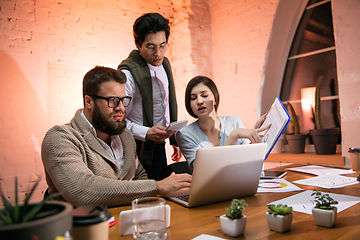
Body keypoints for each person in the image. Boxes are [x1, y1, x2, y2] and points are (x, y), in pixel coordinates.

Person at [41, 66, 191, 207]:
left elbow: (140, 177)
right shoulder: (60, 138)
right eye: (113, 100)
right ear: (88, 102)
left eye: (123, 100)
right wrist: (158, 186)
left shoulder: (125, 136)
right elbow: (82, 190)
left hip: (123, 224)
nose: (120, 107)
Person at [118, 13, 181, 181]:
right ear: (138, 44)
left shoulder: (164, 64)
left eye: (163, 45)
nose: (158, 53)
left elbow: (167, 103)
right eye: (151, 47)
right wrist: (146, 133)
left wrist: (173, 139)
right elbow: (117, 120)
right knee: (147, 200)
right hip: (137, 149)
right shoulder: (128, 75)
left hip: (159, 146)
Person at [175, 76, 271, 172]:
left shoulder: (234, 122)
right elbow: (204, 171)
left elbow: (251, 164)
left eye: (204, 96)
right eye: (193, 98)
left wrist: (255, 141)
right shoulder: (184, 134)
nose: (199, 101)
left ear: (215, 99)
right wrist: (233, 136)